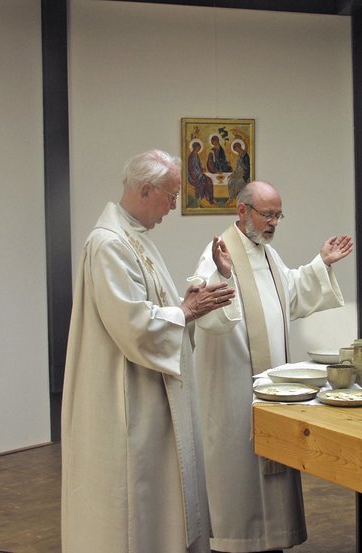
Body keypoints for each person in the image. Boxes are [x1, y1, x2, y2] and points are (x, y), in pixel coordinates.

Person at [61, 150, 237, 553]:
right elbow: (132, 324)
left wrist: (184, 303)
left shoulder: (134, 238)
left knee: (156, 501)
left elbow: (148, 308)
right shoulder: (108, 245)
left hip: (149, 387)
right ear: (145, 190)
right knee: (133, 504)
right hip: (127, 396)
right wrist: (184, 311)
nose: (173, 206)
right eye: (171, 196)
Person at [192, 180, 352, 553]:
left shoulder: (265, 252)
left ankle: (269, 542)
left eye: (279, 216)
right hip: (234, 389)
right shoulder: (219, 253)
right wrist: (223, 276)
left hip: (267, 387)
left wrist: (320, 264)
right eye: (268, 214)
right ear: (242, 210)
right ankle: (237, 541)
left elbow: (288, 291)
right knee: (239, 474)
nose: (274, 223)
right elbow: (207, 313)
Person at [188, 139, 216, 207]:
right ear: (194, 148)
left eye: (199, 149)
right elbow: (191, 170)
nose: (198, 150)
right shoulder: (190, 157)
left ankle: (210, 198)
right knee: (204, 181)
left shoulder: (196, 155)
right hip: (193, 177)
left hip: (199, 174)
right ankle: (201, 199)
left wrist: (202, 169)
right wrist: (200, 173)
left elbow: (199, 165)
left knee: (209, 180)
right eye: (198, 148)